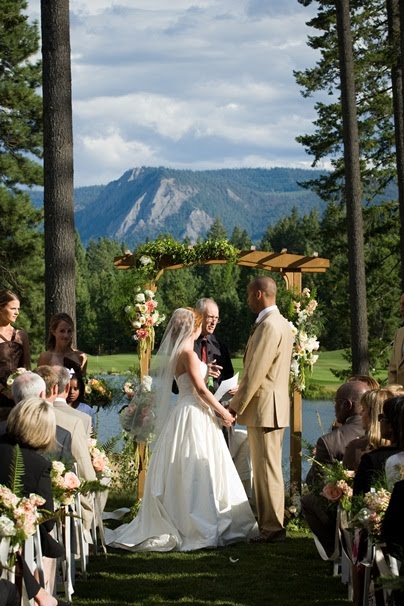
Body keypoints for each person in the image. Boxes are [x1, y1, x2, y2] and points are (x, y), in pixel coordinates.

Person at [105, 307, 258, 552]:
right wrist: (223, 412)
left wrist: (208, 370)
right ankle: (198, 523)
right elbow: (200, 390)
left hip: (187, 411)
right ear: (193, 327)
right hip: (194, 413)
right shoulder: (188, 352)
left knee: (189, 466)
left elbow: (194, 382)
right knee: (197, 465)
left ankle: (187, 515)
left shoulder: (180, 353)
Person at [228, 276, 293, 544]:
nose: (245, 299)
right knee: (269, 469)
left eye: (247, 293)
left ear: (258, 294)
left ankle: (272, 528)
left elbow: (256, 372)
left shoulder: (269, 325)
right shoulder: (282, 323)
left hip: (266, 408)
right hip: (271, 407)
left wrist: (235, 406)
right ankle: (271, 524)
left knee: (267, 471)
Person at [0, 397, 69, 606]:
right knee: (47, 541)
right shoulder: (39, 465)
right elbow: (47, 521)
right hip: (16, 536)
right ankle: (44, 596)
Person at [301, 380, 368, 557]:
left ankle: (334, 549)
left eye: (336, 403)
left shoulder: (330, 441)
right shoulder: (384, 435)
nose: (334, 407)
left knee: (308, 499)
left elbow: (314, 483)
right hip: (377, 510)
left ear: (347, 405)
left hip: (346, 514)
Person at [7, 371, 73, 462]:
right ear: (42, 395)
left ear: (13, 396)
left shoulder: (4, 430)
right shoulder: (61, 436)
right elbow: (68, 472)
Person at [353, 395, 404, 495]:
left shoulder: (372, 460)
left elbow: (358, 499)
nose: (379, 421)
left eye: (381, 417)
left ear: (391, 425)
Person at [343, 388, 394, 472]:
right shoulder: (399, 449)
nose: (360, 414)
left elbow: (344, 482)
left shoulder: (356, 448)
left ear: (373, 415)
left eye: (363, 409)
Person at [0, 289, 31, 407]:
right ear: (1, 309)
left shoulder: (21, 336)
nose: (17, 312)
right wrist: (6, 391)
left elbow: (27, 367)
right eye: (13, 308)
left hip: (19, 397)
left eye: (18, 309)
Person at [37, 313, 87, 377]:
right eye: (62, 331)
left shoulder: (80, 357)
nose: (66, 335)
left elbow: (83, 382)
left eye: (69, 331)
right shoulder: (45, 357)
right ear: (53, 331)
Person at [388, 293, 404, 386]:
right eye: (401, 304)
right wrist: (392, 392)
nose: (401, 308)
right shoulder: (399, 333)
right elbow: (393, 368)